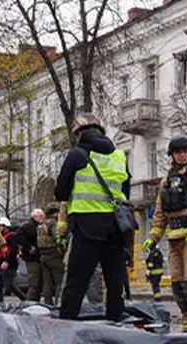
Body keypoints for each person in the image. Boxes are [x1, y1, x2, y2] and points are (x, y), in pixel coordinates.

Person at [54, 112, 130, 321]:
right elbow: (125, 191)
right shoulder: (119, 156)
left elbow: (60, 192)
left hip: (87, 227)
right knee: (115, 284)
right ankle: (115, 329)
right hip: (116, 227)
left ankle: (65, 330)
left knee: (76, 283)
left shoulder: (77, 155)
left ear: (79, 133)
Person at [143, 134, 187, 332]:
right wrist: (153, 237)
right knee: (178, 284)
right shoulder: (166, 181)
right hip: (174, 237)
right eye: (177, 152)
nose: (181, 155)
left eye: (185, 151)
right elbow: (160, 213)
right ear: (172, 155)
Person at [36, 203, 65, 305]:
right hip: (54, 255)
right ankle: (58, 303)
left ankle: (48, 304)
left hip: (43, 255)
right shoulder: (52, 223)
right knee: (59, 282)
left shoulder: (41, 224)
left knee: (47, 283)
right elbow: (56, 237)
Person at [14, 209, 42, 301]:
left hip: (34, 257)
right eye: (40, 216)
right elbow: (18, 236)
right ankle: (29, 303)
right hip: (32, 258)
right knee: (33, 283)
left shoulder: (34, 226)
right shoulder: (29, 226)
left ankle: (33, 302)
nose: (42, 218)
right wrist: (29, 247)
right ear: (35, 216)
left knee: (36, 283)